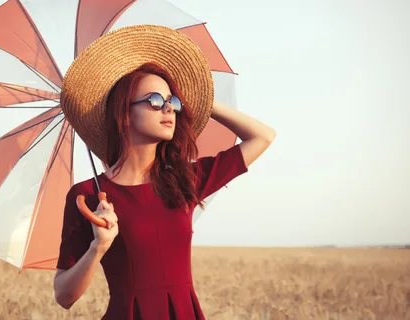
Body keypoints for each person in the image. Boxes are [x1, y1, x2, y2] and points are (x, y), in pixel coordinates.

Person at [54, 24, 276, 319]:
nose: (168, 109)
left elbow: (262, 137)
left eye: (172, 101)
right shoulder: (88, 196)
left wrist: (202, 102)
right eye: (155, 101)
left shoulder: (185, 180)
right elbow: (64, 296)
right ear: (124, 113)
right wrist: (98, 247)